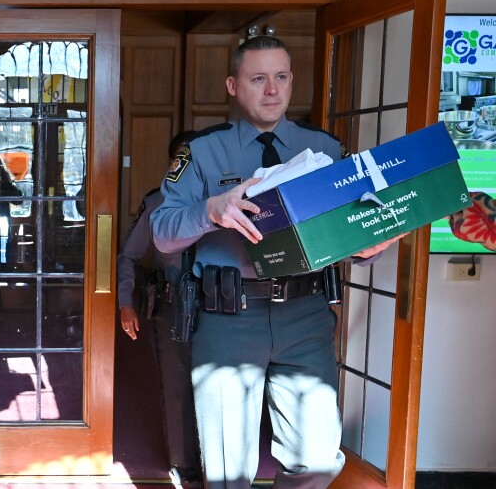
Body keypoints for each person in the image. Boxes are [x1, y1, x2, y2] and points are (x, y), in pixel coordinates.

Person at [150, 36, 401, 489]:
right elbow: (163, 232)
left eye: (281, 77)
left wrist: (370, 246)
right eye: (258, 78)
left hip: (304, 316)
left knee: (319, 459)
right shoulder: (203, 152)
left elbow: (350, 234)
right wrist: (210, 211)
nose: (272, 90)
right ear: (232, 84)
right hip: (229, 317)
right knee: (229, 472)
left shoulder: (324, 148)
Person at [116, 131, 202, 487]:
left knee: (221, 387)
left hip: (224, 309)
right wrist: (125, 303)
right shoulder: (156, 203)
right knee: (178, 387)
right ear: (171, 165)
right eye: (180, 161)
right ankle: (186, 468)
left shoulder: (226, 200)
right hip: (173, 307)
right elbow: (128, 256)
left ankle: (224, 464)